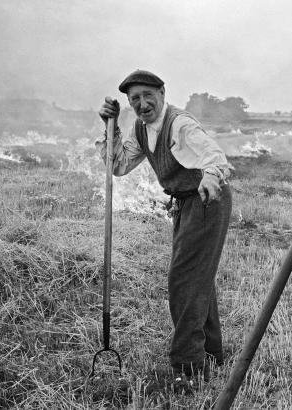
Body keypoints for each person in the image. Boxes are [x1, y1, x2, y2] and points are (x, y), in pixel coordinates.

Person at [96, 69, 232, 383]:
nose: (142, 104)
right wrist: (111, 128)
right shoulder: (141, 129)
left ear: (162, 92)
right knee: (198, 275)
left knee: (183, 280)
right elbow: (118, 165)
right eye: (135, 100)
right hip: (184, 202)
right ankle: (212, 352)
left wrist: (210, 178)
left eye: (147, 95)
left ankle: (187, 366)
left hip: (207, 198)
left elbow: (215, 156)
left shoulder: (180, 124)